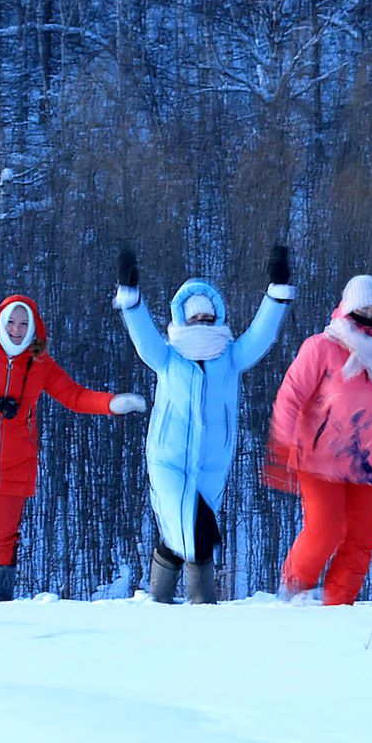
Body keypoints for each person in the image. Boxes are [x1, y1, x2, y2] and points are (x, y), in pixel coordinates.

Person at [0, 273, 147, 600]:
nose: (17, 329)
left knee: (5, 540)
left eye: (24, 324)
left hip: (16, 466)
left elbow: (74, 396)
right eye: (12, 322)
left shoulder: (40, 364)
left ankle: (1, 608)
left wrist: (112, 404)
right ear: (0, 321)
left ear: (33, 328)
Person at [112, 245, 296, 603]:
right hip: (168, 459)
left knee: (180, 533)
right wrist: (131, 297)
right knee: (197, 532)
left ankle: (160, 600)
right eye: (195, 319)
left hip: (213, 464)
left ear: (218, 318)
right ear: (182, 320)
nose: (202, 324)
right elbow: (143, 335)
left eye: (208, 319)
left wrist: (276, 292)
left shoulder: (230, 358)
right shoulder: (168, 357)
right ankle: (203, 604)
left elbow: (261, 334)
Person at [265, 275, 372, 605]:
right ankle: (292, 594)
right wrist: (281, 446)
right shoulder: (321, 347)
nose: (369, 317)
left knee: (361, 542)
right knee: (326, 530)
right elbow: (290, 397)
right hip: (319, 460)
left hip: (369, 468)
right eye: (362, 309)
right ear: (348, 309)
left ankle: (338, 609)